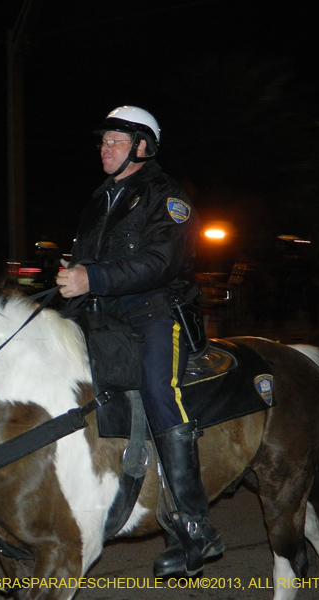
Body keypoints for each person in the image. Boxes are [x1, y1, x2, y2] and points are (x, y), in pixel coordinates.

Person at [56, 106, 223, 577]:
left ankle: (194, 527)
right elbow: (89, 262)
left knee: (157, 389)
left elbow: (161, 263)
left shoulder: (167, 197)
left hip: (156, 310)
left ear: (142, 147)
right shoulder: (100, 198)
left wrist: (93, 277)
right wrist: (73, 279)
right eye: (103, 141)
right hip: (102, 312)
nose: (105, 148)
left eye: (115, 140)